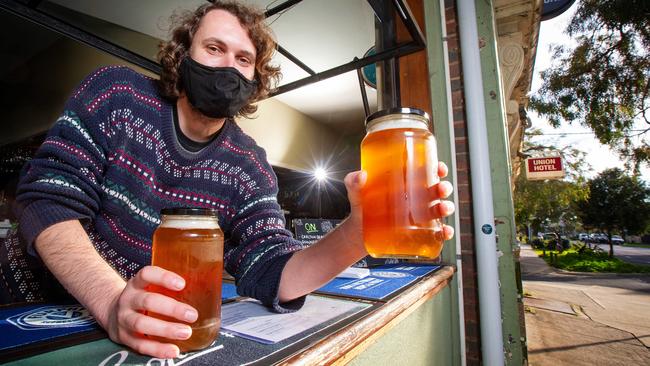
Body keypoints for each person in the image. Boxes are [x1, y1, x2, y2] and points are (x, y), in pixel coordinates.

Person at [0, 1, 455, 359]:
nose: (226, 67)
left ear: (256, 79)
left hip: (141, 328)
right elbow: (46, 199)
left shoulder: (247, 164)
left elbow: (276, 271)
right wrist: (111, 300)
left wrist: (361, 231)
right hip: (24, 307)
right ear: (183, 55)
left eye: (243, 59)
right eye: (213, 49)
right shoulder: (117, 92)